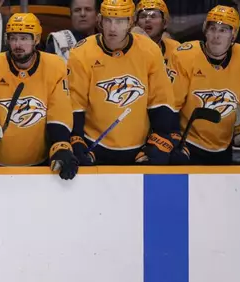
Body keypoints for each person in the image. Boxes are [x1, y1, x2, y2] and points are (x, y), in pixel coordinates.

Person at [0, 13, 78, 179]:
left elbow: (59, 112)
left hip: (39, 165)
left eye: (24, 38)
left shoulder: (55, 66)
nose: (18, 44)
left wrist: (61, 145)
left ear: (36, 39)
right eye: (13, 38)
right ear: (7, 40)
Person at [67, 0, 177, 165]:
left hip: (138, 148)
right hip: (94, 146)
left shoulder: (149, 50)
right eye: (108, 20)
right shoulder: (81, 52)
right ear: (99, 21)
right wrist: (75, 138)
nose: (113, 28)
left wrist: (161, 137)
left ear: (131, 21)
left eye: (120, 21)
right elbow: (76, 102)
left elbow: (160, 100)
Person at [168, 5, 240, 165]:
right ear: (205, 31)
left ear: (233, 35)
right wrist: (172, 137)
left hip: (224, 146)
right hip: (188, 145)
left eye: (223, 30)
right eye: (212, 29)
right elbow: (170, 105)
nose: (216, 35)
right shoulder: (184, 56)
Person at [134, 0, 180, 67]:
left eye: (153, 16)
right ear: (136, 23)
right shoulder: (127, 49)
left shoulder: (175, 48)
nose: (147, 19)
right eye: (143, 16)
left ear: (165, 23)